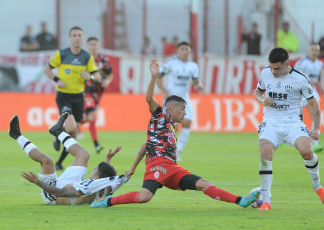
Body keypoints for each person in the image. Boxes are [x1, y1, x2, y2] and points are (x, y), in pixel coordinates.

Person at [89, 58, 259, 208]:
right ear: (172, 108)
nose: (185, 113)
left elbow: (144, 146)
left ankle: (240, 200)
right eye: (183, 109)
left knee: (203, 184)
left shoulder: (171, 126)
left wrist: (132, 168)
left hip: (172, 168)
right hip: (157, 165)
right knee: (144, 197)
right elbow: (149, 99)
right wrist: (154, 77)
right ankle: (106, 202)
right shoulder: (160, 115)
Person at [254, 47, 324, 211]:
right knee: (265, 153)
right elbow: (257, 92)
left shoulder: (300, 79)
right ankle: (266, 199)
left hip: (293, 122)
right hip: (271, 121)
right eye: (271, 67)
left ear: (287, 64)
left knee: (307, 151)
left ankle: (317, 186)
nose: (273, 71)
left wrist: (316, 128)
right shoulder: (265, 73)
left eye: (277, 68)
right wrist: (262, 99)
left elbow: (313, 104)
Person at [9, 112, 128, 205]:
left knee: (47, 161)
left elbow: (58, 192)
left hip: (54, 192)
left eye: (95, 169)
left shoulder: (85, 192)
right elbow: (107, 179)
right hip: (72, 183)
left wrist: (37, 181)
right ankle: (58, 131)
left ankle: (17, 135)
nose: (93, 167)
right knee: (84, 155)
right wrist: (108, 159)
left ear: (97, 177)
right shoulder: (107, 186)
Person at [44, 26, 101, 171]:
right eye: (74, 35)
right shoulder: (61, 54)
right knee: (70, 127)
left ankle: (59, 162)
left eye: (79, 35)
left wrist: (91, 77)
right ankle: (58, 133)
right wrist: (57, 80)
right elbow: (47, 69)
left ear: (82, 38)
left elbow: (97, 76)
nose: (76, 37)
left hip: (78, 97)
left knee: (73, 135)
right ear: (70, 38)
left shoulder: (86, 57)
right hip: (63, 96)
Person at [156, 41, 203, 161]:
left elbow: (196, 81)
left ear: (190, 51)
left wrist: (198, 86)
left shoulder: (193, 66)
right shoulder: (170, 63)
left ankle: (178, 151)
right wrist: (164, 92)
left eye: (186, 49)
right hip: (171, 97)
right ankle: (168, 150)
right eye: (182, 49)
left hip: (183, 98)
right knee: (173, 126)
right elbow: (158, 77)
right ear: (177, 51)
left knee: (187, 122)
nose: (184, 51)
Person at [81, 36, 114, 153]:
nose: (93, 47)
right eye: (91, 45)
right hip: (85, 92)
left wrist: (108, 81)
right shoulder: (83, 60)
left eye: (95, 44)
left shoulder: (104, 60)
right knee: (93, 116)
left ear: (98, 46)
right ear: (87, 47)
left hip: (98, 94)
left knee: (85, 118)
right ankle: (96, 144)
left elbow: (110, 74)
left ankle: (64, 128)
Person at [295, 43, 324, 153]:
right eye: (312, 49)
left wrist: (322, 85)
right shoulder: (302, 63)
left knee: (314, 117)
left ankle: (314, 143)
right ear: (308, 50)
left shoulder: (319, 64)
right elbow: (296, 78)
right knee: (315, 116)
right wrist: (312, 83)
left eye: (317, 50)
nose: (315, 52)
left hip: (314, 93)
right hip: (303, 93)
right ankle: (314, 143)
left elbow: (320, 77)